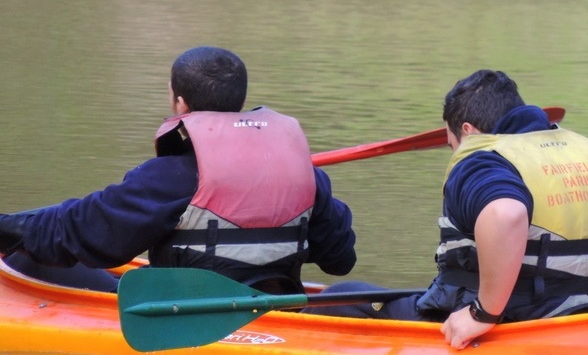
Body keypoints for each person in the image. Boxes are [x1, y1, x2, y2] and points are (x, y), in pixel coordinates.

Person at [305, 69, 588, 351]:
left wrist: (483, 314)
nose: (452, 153)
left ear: (467, 132)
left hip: (513, 326)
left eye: (450, 143)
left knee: (342, 296)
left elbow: (507, 214)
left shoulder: (480, 161)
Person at [0, 46, 356, 293]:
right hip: (274, 308)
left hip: (182, 316)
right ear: (240, 102)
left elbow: (75, 232)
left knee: (21, 259)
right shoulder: (308, 179)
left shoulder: (170, 177)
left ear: (180, 103)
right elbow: (341, 260)